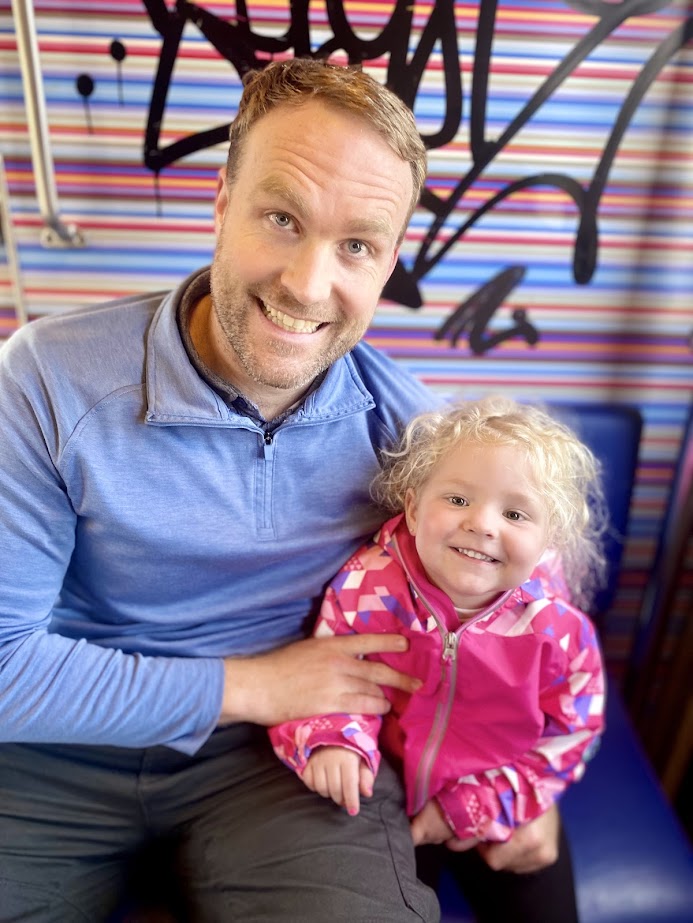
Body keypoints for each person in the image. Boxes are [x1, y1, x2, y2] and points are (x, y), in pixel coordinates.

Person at [0, 58, 565, 923]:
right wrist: (257, 684)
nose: (307, 284)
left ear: (386, 265)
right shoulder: (47, 379)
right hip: (52, 751)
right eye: (280, 217)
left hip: (285, 761)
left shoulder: (414, 439)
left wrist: (522, 769)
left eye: (356, 246)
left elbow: (514, 615)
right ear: (222, 207)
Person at [271, 395, 607, 921]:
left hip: (499, 798)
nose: (483, 524)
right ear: (411, 505)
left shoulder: (557, 630)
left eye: (515, 513)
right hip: (384, 794)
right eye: (456, 499)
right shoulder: (369, 586)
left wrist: (477, 806)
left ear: (549, 539)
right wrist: (334, 738)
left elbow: (573, 730)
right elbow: (330, 673)